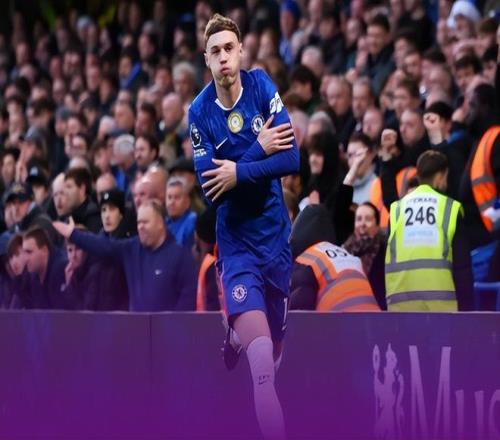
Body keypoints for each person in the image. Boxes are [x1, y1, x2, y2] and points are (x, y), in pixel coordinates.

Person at [189, 14, 299, 439]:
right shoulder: (200, 112)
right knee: (263, 367)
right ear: (207, 59)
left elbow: (291, 158)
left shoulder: (261, 86)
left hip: (275, 239)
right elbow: (212, 190)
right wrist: (256, 151)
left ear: (240, 52)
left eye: (228, 49)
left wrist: (236, 170)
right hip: (237, 247)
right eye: (215, 51)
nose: (223, 58)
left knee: (276, 352)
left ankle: (235, 336)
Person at [53, 199, 196, 312]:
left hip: (169, 334)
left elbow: (188, 297)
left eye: (145, 222)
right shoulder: (131, 249)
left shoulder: (180, 256)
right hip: (137, 333)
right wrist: (74, 234)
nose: (140, 227)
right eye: (138, 222)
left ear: (160, 223)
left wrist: (173, 327)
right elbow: (103, 245)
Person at [385, 150, 473, 311]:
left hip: (400, 306)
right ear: (440, 176)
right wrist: (468, 310)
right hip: (441, 307)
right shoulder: (450, 208)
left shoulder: (397, 208)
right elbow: (462, 268)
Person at [289, 204, 380, 311]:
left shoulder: (306, 261)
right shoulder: (348, 255)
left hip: (341, 319)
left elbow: (299, 313)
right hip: (374, 318)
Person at [165, 176, 197, 248]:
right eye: (169, 197)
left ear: (187, 201)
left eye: (177, 197)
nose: (171, 202)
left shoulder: (192, 221)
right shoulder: (164, 222)